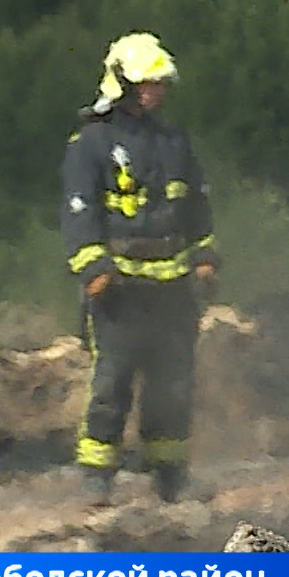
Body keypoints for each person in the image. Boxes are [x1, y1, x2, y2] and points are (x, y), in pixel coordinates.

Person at [61, 33, 217, 504]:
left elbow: (196, 204)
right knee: (113, 380)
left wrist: (205, 257)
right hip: (119, 287)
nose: (157, 92)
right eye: (149, 84)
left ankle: (170, 474)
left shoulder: (173, 141)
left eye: (160, 84)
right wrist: (93, 266)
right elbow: (80, 210)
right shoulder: (91, 143)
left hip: (172, 284)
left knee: (172, 381)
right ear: (124, 84)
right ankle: (97, 475)